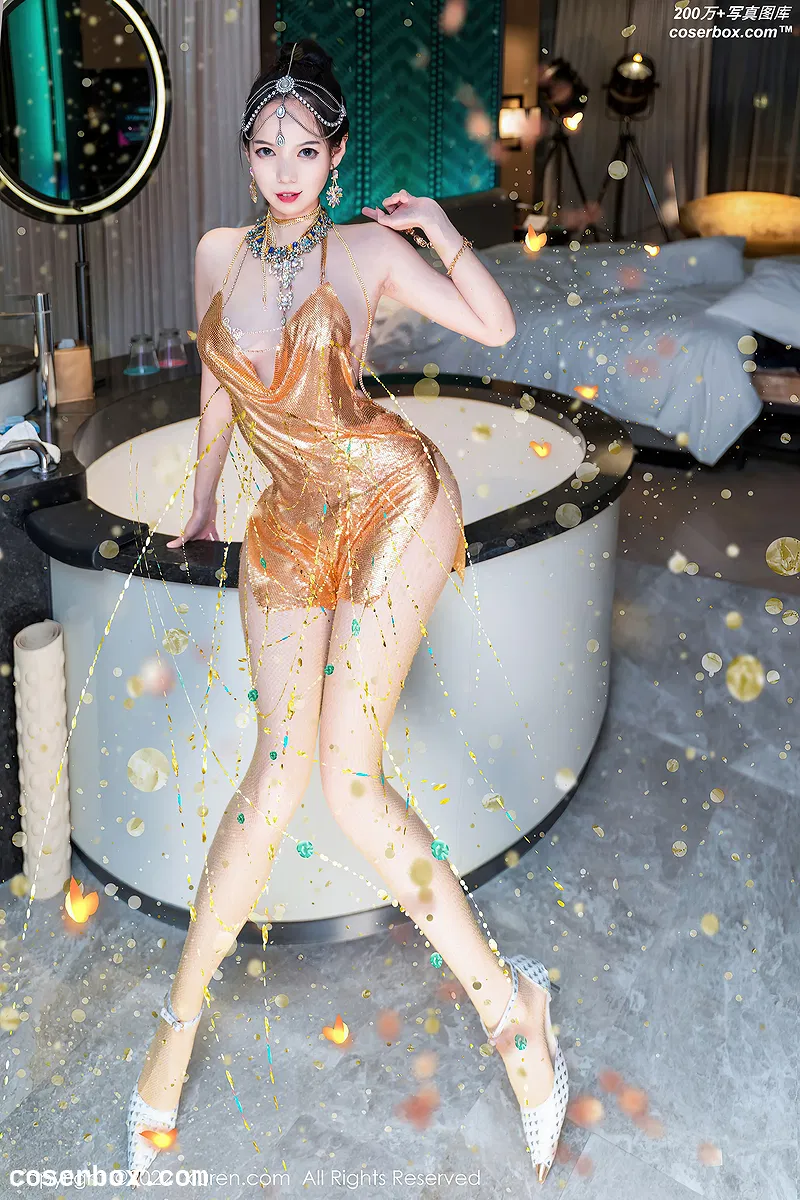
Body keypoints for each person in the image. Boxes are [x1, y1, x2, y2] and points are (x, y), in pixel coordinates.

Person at [125, 37, 568, 1187]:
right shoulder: (216, 251)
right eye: (266, 147)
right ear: (245, 151)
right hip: (284, 521)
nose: (284, 169)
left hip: (388, 499)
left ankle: (516, 1025)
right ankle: (174, 1036)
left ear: (334, 159)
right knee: (273, 777)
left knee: (348, 781)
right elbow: (215, 382)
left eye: (306, 150)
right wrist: (205, 495)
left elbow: (494, 328)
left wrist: (439, 229)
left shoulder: (366, 247)